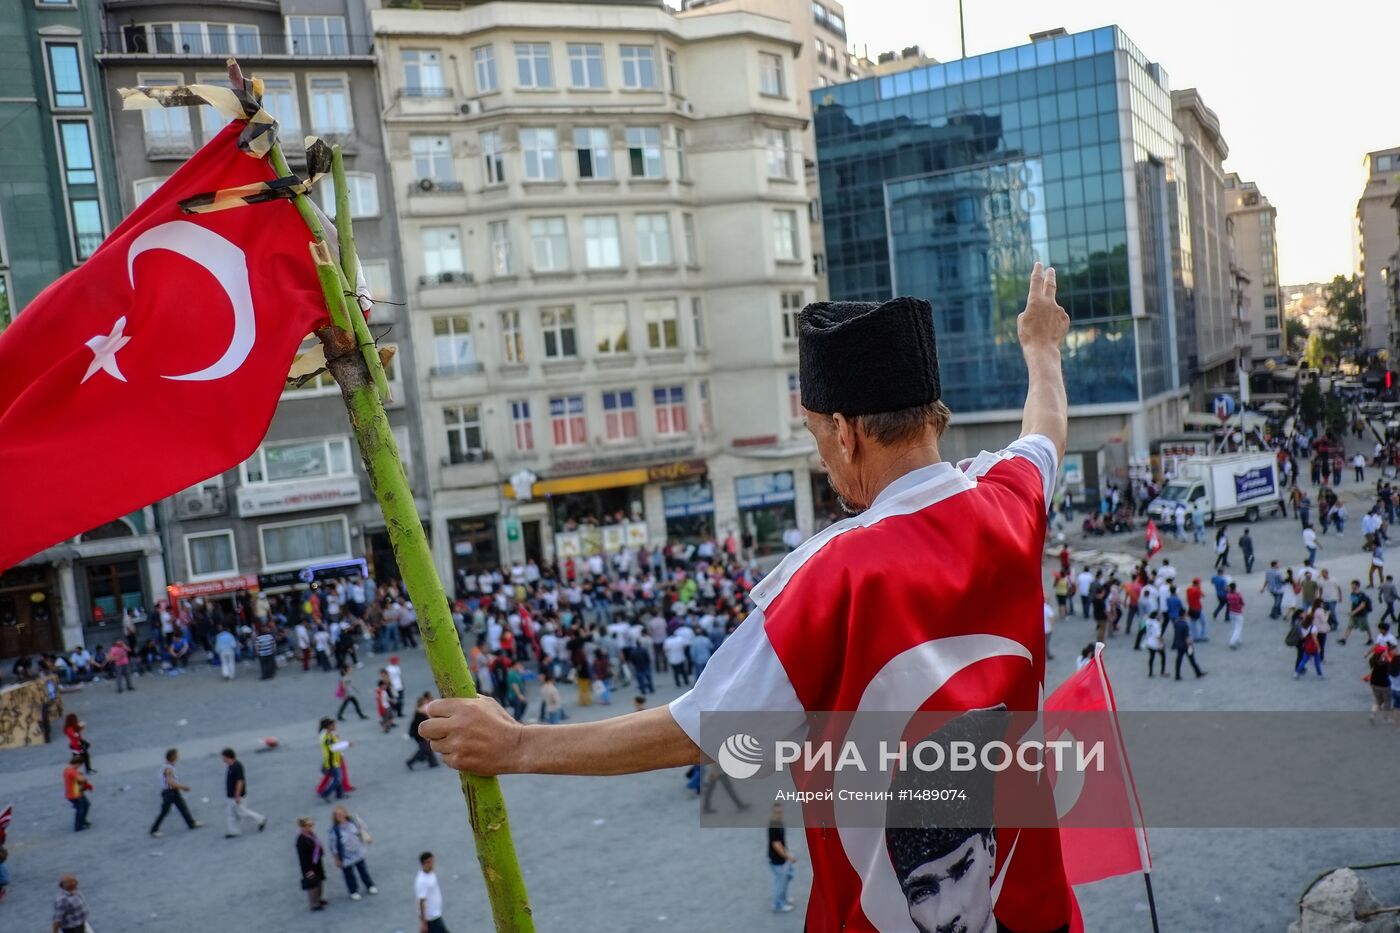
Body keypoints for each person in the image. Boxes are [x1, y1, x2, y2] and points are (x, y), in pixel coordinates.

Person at [419, 267, 1079, 930]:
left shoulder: (832, 574)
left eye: (820, 437)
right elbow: (1045, 428)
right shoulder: (1010, 499)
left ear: (847, 433)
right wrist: (1041, 348)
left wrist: (514, 744)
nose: (825, 457)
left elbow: (696, 730)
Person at [330, 805, 378, 900]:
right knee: (349, 875)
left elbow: (363, 828)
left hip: (358, 851)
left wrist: (368, 837)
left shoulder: (353, 822)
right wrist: (336, 859)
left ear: (345, 813)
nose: (340, 816)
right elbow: (333, 845)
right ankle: (353, 891)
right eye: (337, 815)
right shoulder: (335, 830)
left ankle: (370, 885)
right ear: (335, 817)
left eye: (341, 813)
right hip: (345, 856)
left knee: (363, 870)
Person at [150, 747, 201, 836]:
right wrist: (183, 787)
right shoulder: (169, 769)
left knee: (182, 807)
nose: (178, 757)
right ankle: (154, 829)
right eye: (177, 755)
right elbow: (170, 782)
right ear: (173, 757)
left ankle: (191, 823)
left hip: (171, 792)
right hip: (170, 792)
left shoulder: (164, 766)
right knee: (165, 811)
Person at [222, 748, 267, 838]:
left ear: (228, 757)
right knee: (231, 814)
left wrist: (237, 795)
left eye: (224, 757)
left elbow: (240, 781)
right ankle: (233, 831)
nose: (223, 759)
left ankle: (260, 819)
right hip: (230, 796)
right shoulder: (231, 766)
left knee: (241, 813)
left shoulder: (237, 766)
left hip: (236, 796)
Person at [768, 803, 798, 914]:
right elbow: (776, 844)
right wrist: (788, 856)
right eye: (777, 813)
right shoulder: (774, 826)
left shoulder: (779, 822)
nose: (780, 814)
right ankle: (778, 904)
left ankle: (783, 898)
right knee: (780, 882)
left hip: (782, 858)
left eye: (781, 812)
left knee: (787, 877)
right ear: (773, 812)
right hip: (777, 860)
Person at [295, 817, 328, 911]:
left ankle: (319, 899)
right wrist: (308, 869)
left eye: (311, 825)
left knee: (320, 882)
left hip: (317, 863)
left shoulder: (311, 835)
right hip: (309, 866)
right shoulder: (301, 840)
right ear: (302, 827)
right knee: (313, 885)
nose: (311, 827)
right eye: (308, 825)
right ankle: (314, 903)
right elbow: (303, 857)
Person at [416, 851, 450, 933]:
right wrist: (423, 923)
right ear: (425, 863)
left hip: (435, 915)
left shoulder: (430, 873)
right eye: (431, 862)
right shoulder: (422, 881)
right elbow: (421, 902)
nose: (433, 864)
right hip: (431, 919)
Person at [406, 693, 440, 769]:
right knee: (425, 749)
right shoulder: (420, 715)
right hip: (419, 735)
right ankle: (411, 762)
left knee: (426, 748)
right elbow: (421, 727)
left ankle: (431, 762)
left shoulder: (419, 713)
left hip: (419, 735)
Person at [318, 718, 349, 801]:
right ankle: (325, 793)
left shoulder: (328, 735)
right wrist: (346, 744)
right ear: (328, 726)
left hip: (333, 760)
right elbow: (333, 748)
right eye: (333, 725)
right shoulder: (327, 737)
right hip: (332, 761)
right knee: (338, 779)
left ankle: (339, 794)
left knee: (338, 778)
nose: (335, 727)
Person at [1171, 609, 1206, 680]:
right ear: (1184, 614)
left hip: (1179, 644)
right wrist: (1190, 644)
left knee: (1179, 660)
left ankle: (1177, 675)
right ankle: (1198, 673)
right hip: (1186, 646)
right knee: (1192, 659)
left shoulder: (1176, 622)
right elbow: (1187, 638)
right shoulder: (1185, 625)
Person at [62, 755, 92, 832]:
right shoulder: (72, 771)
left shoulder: (67, 770)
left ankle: (82, 821)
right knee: (80, 809)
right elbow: (82, 779)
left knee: (86, 805)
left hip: (72, 793)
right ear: (77, 763)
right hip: (75, 794)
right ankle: (78, 825)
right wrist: (83, 777)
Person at [1341, 580, 1374, 647]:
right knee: (1350, 626)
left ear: (1357, 586)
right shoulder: (1352, 593)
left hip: (1361, 614)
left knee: (1365, 627)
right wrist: (1351, 611)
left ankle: (1370, 638)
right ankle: (1344, 639)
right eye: (1351, 585)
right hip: (1354, 614)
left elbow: (1362, 605)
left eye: (1353, 585)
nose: (1352, 586)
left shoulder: (1362, 595)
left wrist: (1353, 612)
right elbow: (1354, 603)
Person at [1368, 646, 1394, 726]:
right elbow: (1391, 671)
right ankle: (1386, 718)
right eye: (1385, 651)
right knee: (1387, 701)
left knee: (1378, 700)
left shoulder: (1372, 660)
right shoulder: (1385, 662)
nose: (1386, 652)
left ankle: (1372, 714)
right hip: (1384, 684)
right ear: (1382, 653)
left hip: (1374, 682)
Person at [1143, 612, 1166, 677]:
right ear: (1156, 616)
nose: (1161, 617)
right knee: (1163, 656)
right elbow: (1158, 636)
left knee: (1151, 657)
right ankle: (1162, 672)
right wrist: (1161, 644)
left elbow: (1142, 625)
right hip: (1155, 643)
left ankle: (1150, 672)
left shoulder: (1148, 621)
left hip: (1148, 642)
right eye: (1159, 616)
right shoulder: (1157, 624)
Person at [1225, 582, 1246, 649]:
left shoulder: (1228, 595)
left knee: (1235, 627)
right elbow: (1242, 603)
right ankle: (1232, 642)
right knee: (1238, 628)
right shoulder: (1238, 595)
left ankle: (1238, 640)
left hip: (1231, 612)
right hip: (1238, 613)